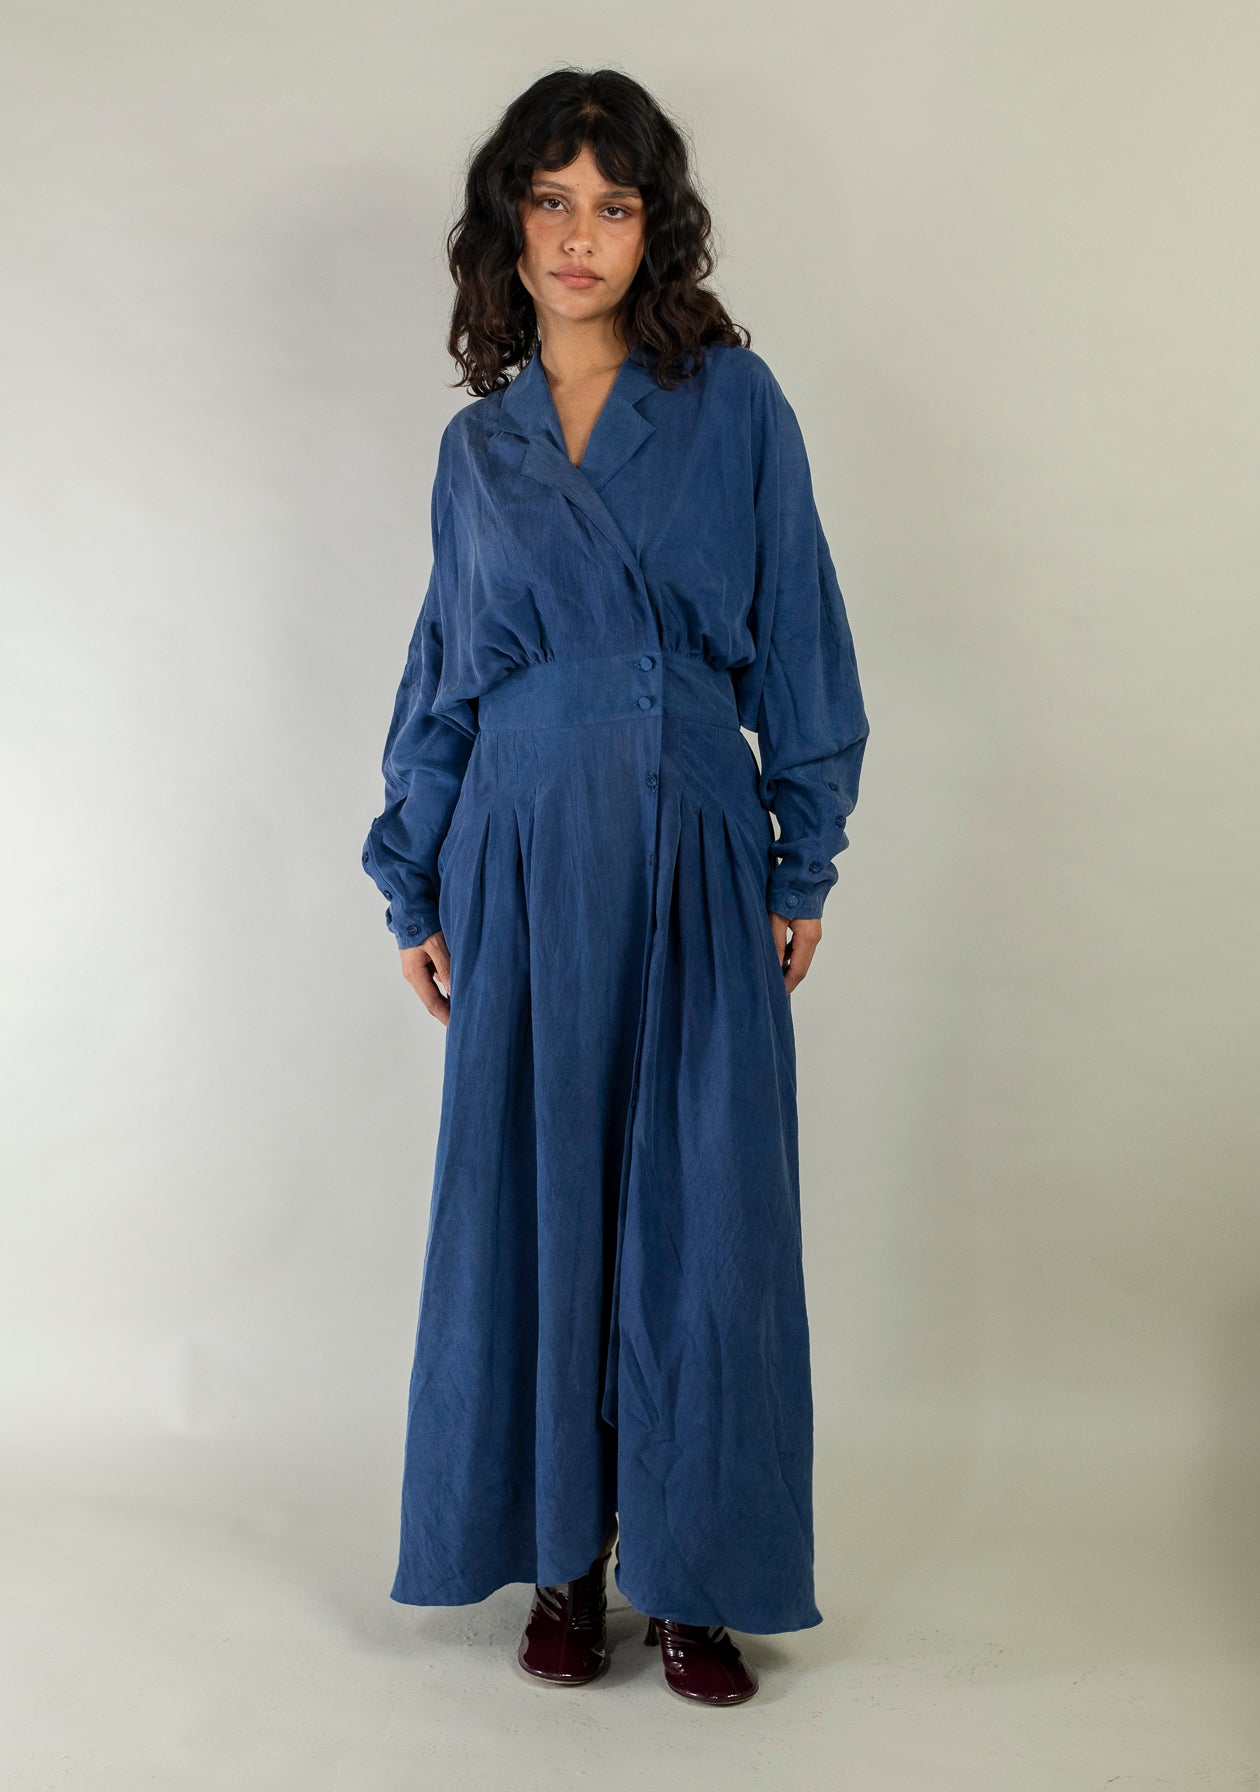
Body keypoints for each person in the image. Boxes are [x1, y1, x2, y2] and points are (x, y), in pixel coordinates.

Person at [360, 66, 870, 1707]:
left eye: (615, 205)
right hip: (517, 853)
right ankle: (563, 1555)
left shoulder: (734, 405)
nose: (579, 236)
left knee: (708, 1210)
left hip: (698, 841)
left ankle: (697, 1573)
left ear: (656, 232)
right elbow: (444, 676)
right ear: (508, 226)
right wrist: (414, 881)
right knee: (540, 1201)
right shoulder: (481, 451)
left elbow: (802, 635)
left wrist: (803, 847)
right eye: (552, 200)